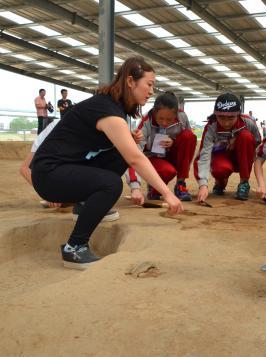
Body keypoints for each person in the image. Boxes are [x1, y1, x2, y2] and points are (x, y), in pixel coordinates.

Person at [31, 57, 182, 270]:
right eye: (149, 84)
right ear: (131, 81)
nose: (151, 91)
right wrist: (167, 193)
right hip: (49, 174)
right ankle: (75, 247)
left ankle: (84, 206)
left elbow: (124, 152)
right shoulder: (106, 108)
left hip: (64, 168)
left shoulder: (112, 108)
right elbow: (135, 159)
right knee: (111, 184)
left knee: (121, 153)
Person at [126, 92, 197, 201]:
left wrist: (173, 142)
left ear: (176, 114)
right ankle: (153, 188)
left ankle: (180, 184)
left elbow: (188, 143)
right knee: (168, 171)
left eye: (169, 119)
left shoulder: (182, 117)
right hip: (154, 158)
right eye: (161, 118)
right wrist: (135, 187)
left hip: (172, 155)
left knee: (189, 136)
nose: (164, 123)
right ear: (154, 112)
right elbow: (133, 152)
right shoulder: (146, 121)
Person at [194, 93, 261, 201]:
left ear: (238, 114)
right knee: (221, 169)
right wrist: (203, 185)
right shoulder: (211, 127)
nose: (226, 123)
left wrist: (238, 141)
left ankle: (244, 182)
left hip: (241, 158)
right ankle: (220, 181)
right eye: (221, 117)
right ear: (215, 114)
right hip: (221, 158)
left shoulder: (248, 123)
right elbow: (204, 155)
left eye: (231, 118)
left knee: (246, 137)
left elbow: (257, 141)